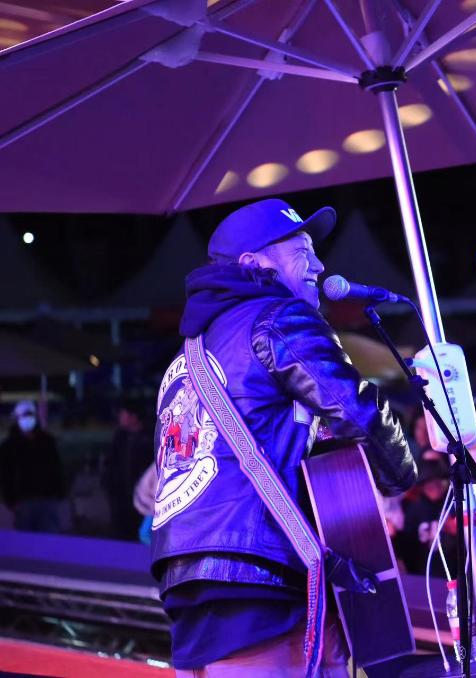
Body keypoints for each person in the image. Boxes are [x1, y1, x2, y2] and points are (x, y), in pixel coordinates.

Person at [149, 198, 416, 676]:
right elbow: (356, 410)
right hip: (260, 573)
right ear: (254, 263)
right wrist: (401, 473)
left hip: (186, 578)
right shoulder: (277, 317)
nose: (318, 265)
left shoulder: (185, 357)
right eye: (301, 251)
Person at [0, 400, 66, 533]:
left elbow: (56, 468)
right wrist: (10, 500)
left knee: (49, 540)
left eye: (30, 415)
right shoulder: (9, 446)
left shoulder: (47, 441)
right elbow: (6, 475)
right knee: (26, 541)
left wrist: (59, 492)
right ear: (16, 418)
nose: (27, 419)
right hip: (23, 501)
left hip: (48, 499)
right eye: (23, 415)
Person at [106, 400, 154, 540]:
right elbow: (111, 465)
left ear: (134, 417)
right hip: (120, 497)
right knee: (121, 533)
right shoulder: (119, 437)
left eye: (123, 414)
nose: (120, 418)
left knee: (142, 534)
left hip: (142, 497)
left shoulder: (150, 438)